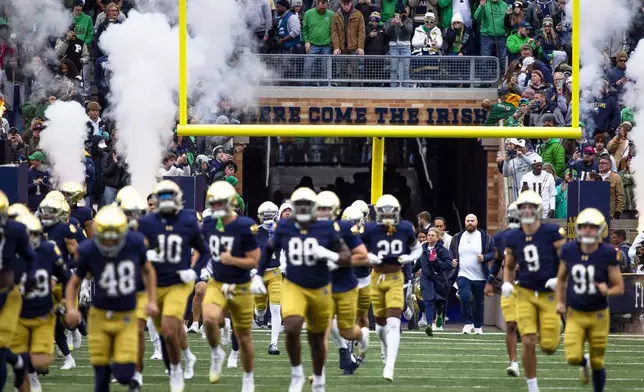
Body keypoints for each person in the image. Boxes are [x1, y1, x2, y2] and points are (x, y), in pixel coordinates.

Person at [251, 187, 351, 392]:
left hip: (320, 287)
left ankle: (318, 377)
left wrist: (328, 255)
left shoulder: (326, 228)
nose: (304, 210)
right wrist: (259, 275)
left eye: (308, 206)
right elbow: (268, 249)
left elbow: (346, 255)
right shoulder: (285, 227)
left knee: (316, 337)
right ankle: (297, 373)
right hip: (294, 285)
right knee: (292, 327)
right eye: (300, 206)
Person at [64, 205, 158, 392]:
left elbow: (148, 270)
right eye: (106, 235)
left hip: (126, 315)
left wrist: (152, 299)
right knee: (100, 376)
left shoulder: (134, 242)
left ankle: (131, 381)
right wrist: (71, 308)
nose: (110, 241)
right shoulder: (89, 249)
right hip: (99, 315)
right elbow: (74, 282)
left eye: (114, 235)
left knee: (123, 373)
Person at [137, 181, 207, 392]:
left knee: (169, 329)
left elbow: (204, 251)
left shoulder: (187, 220)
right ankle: (183, 359)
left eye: (170, 196)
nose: (166, 201)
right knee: (167, 331)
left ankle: (175, 371)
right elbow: (134, 248)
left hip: (178, 282)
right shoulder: (147, 222)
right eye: (163, 196)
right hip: (154, 284)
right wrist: (144, 255)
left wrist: (193, 271)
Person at [502, 190, 567, 392]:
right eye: (524, 207)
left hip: (548, 294)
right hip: (525, 293)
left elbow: (566, 258)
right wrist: (506, 282)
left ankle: (556, 327)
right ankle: (532, 386)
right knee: (528, 339)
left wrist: (559, 278)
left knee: (548, 347)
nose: (527, 210)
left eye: (531, 206)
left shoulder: (551, 232)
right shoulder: (513, 236)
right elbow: (510, 265)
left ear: (538, 209)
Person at [556, 208, 624, 392]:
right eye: (584, 226)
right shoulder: (569, 250)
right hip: (575, 313)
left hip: (599, 314)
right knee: (572, 357)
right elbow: (561, 278)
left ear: (600, 229)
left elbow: (619, 286)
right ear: (578, 228)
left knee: (597, 361)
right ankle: (582, 362)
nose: (587, 230)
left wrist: (606, 290)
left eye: (592, 227)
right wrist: (560, 302)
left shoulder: (607, 253)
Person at [200, 181, 260, 392]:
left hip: (242, 285)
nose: (216, 207)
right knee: (208, 319)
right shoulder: (208, 224)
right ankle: (217, 352)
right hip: (217, 282)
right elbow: (199, 247)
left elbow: (254, 261)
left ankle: (248, 378)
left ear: (230, 203)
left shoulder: (244, 226)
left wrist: (231, 260)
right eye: (213, 203)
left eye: (220, 203)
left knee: (244, 338)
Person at [361, 194, 422, 381]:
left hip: (396, 277)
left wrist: (410, 258)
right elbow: (357, 248)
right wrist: (369, 257)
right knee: (380, 327)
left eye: (391, 213)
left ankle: (390, 366)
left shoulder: (404, 227)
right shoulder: (370, 229)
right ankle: (384, 347)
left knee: (394, 323)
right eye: (384, 213)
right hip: (377, 277)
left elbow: (417, 248)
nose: (387, 217)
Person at [11, 213, 67, 392]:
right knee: (19, 356)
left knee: (41, 363)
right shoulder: (8, 252)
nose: (30, 238)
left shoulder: (49, 250)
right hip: (17, 314)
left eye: (33, 234)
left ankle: (34, 373)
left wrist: (65, 301)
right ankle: (29, 379)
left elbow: (67, 278)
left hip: (43, 313)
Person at [315, 191, 370, 374]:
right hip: (323, 286)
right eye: (320, 208)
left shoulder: (345, 229)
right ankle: (319, 375)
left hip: (346, 285)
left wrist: (337, 260)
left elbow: (363, 256)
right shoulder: (309, 229)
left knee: (347, 330)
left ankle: (360, 337)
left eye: (327, 209)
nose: (323, 213)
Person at [116, 188, 155, 389]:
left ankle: (137, 373)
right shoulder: (112, 230)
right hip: (118, 288)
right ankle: (123, 364)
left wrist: (153, 296)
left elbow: (150, 267)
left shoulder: (147, 230)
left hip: (139, 289)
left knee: (138, 330)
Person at [0, 191, 37, 392]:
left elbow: (30, 257)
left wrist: (28, 278)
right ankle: (17, 362)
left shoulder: (15, 230)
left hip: (8, 291)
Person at [484, 203, 521, 377]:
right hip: (510, 285)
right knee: (511, 325)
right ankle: (513, 362)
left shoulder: (537, 235)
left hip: (531, 285)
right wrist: (490, 281)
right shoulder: (501, 237)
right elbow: (498, 259)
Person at [450, 214, 495, 334]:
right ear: (464, 222)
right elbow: (451, 252)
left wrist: (485, 257)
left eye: (472, 221)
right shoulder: (457, 237)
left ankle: (478, 325)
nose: (470, 223)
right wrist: (452, 260)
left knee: (478, 302)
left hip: (480, 275)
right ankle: (468, 322)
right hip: (462, 273)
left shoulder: (486, 237)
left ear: (477, 222)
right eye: (468, 221)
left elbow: (494, 253)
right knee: (464, 295)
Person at [252, 201, 283, 355]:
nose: (268, 218)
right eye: (266, 215)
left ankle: (274, 343)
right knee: (260, 309)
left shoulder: (280, 231)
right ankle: (258, 315)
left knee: (276, 307)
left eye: (271, 215)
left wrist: (285, 265)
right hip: (258, 273)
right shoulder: (254, 232)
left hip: (275, 273)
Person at [413, 227, 451, 336]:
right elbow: (418, 265)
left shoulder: (443, 250)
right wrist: (406, 270)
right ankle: (429, 324)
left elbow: (448, 265)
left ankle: (439, 314)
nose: (430, 237)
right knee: (428, 301)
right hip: (426, 279)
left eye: (433, 235)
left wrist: (436, 261)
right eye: (429, 235)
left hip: (439, 279)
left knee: (439, 301)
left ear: (438, 237)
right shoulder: (422, 249)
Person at [341, 205, 372, 337]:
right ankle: (347, 345)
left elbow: (371, 262)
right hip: (347, 277)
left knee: (362, 315)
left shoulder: (367, 236)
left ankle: (362, 343)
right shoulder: (340, 235)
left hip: (363, 278)